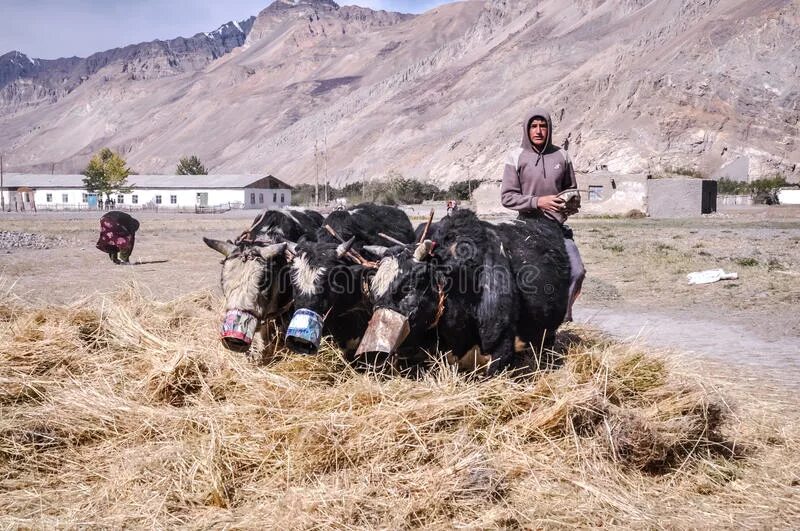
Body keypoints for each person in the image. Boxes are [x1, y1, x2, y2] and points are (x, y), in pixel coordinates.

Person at [500, 108, 586, 321]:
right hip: (526, 227)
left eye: (543, 126)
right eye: (533, 126)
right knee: (527, 277)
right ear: (526, 129)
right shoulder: (516, 157)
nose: (538, 131)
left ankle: (561, 320)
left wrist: (570, 203)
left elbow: (570, 190)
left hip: (556, 229)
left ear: (549, 129)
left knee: (576, 271)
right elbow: (507, 197)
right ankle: (526, 325)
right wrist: (538, 202)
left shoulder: (562, 156)